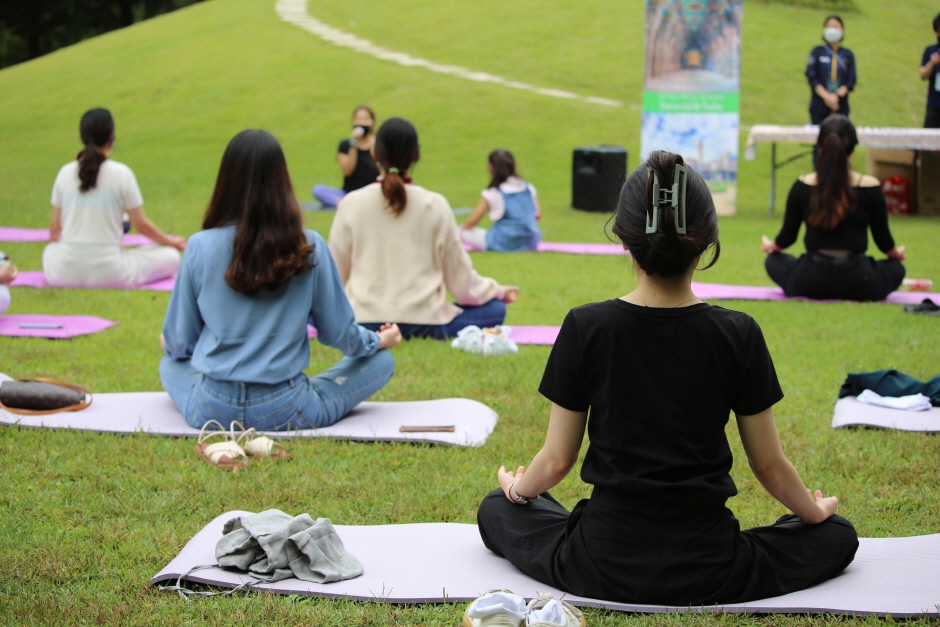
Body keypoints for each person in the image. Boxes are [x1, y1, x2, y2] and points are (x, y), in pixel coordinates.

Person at [476, 150, 858, 607]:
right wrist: (813, 513)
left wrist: (517, 491)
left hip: (599, 562)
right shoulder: (738, 333)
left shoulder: (586, 326)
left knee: (497, 508)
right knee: (835, 533)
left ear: (623, 238)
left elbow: (557, 461)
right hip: (711, 566)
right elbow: (770, 467)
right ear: (705, 241)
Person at [160, 129, 402, 430]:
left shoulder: (199, 246)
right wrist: (378, 340)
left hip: (212, 406)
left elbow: (179, 343)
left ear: (225, 181)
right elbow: (339, 332)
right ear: (281, 181)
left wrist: (172, 345)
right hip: (288, 408)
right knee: (382, 361)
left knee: (169, 363)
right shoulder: (308, 246)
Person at [329, 118, 519, 340]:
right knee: (496, 309)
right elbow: (462, 283)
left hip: (363, 321)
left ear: (373, 153)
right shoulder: (435, 205)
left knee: (317, 313)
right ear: (416, 154)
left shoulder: (351, 203)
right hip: (425, 323)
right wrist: (497, 291)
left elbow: (332, 277)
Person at [762, 115, 906, 301]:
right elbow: (884, 242)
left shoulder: (802, 185)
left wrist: (771, 246)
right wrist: (897, 254)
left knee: (773, 260)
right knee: (896, 268)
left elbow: (787, 238)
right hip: (860, 281)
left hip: (808, 281)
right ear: (853, 149)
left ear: (820, 148)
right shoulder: (870, 187)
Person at [43, 108, 184, 289]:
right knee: (170, 255)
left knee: (50, 250)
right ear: (111, 137)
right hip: (112, 273)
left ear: (82, 137)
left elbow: (55, 229)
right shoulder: (121, 174)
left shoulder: (64, 173)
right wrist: (171, 242)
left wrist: (64, 252)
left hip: (64, 274)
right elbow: (140, 224)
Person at [460, 149, 542, 252]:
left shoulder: (493, 192)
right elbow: (538, 215)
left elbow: (471, 222)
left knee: (460, 231)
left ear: (490, 166)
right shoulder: (527, 187)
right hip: (531, 241)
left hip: (504, 243)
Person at [312, 106, 380, 208]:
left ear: (372, 123)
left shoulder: (379, 145)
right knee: (318, 190)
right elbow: (348, 171)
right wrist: (353, 145)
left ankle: (351, 205)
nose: (361, 123)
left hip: (372, 194)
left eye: (365, 119)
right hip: (349, 194)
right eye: (358, 119)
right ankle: (346, 204)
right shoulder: (345, 145)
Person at [806, 15, 856, 125]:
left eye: (835, 26)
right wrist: (827, 97)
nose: (832, 29)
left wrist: (836, 96)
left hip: (840, 106)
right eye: (829, 26)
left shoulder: (848, 55)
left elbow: (851, 80)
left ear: (842, 30)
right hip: (819, 106)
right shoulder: (817, 52)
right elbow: (812, 77)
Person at [919, 13, 940, 128]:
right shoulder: (930, 51)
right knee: (929, 141)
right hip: (934, 103)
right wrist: (932, 62)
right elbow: (922, 75)